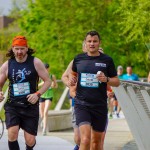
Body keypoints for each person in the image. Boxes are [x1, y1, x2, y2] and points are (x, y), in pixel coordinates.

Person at [69, 31, 120, 150]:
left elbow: (116, 82)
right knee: (85, 139)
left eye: (95, 41)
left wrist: (106, 79)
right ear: (85, 43)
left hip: (99, 106)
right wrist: (72, 81)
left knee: (96, 143)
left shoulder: (107, 60)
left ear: (99, 43)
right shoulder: (78, 59)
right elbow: (73, 74)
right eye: (89, 41)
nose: (92, 44)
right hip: (82, 105)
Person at [0, 35, 51, 150]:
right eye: (17, 48)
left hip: (30, 107)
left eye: (22, 48)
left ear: (27, 48)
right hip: (13, 106)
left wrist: (37, 94)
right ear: (13, 48)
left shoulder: (35, 62)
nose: (19, 51)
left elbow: (47, 81)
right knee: (12, 134)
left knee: (30, 140)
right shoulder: (7, 65)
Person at [39, 63, 58, 135]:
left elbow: (56, 86)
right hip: (42, 95)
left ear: (48, 69)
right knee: (41, 114)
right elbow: (36, 85)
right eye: (44, 68)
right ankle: (43, 121)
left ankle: (44, 129)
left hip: (49, 96)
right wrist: (43, 83)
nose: (46, 70)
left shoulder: (52, 76)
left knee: (45, 112)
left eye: (47, 68)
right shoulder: (40, 76)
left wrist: (53, 85)